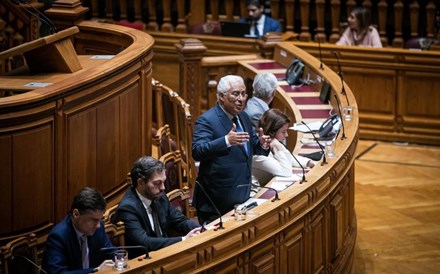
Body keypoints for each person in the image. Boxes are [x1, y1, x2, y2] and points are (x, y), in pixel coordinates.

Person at [192, 75, 271, 224]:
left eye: (243, 94)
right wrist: (226, 141)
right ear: (222, 97)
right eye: (235, 94)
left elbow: (251, 146)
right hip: (216, 203)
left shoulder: (244, 117)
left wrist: (261, 144)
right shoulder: (207, 120)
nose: (241, 99)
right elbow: (197, 151)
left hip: (241, 197)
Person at [112, 156, 201, 258]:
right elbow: (145, 243)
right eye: (157, 183)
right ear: (141, 183)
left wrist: (200, 230)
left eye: (163, 182)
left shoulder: (159, 196)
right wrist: (184, 239)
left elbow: (180, 220)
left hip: (165, 254)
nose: (163, 188)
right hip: (145, 262)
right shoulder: (128, 209)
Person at [42, 187, 115, 274]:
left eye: (100, 219)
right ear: (76, 214)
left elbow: (111, 252)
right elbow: (58, 273)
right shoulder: (58, 237)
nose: (98, 225)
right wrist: (95, 271)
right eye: (93, 220)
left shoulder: (98, 228)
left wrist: (120, 259)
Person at [252, 109, 317, 192]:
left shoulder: (272, 141)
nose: (286, 135)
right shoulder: (258, 150)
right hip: (256, 194)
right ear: (272, 132)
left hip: (267, 187)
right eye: (283, 132)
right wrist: (277, 146)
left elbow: (289, 157)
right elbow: (286, 172)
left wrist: (310, 162)